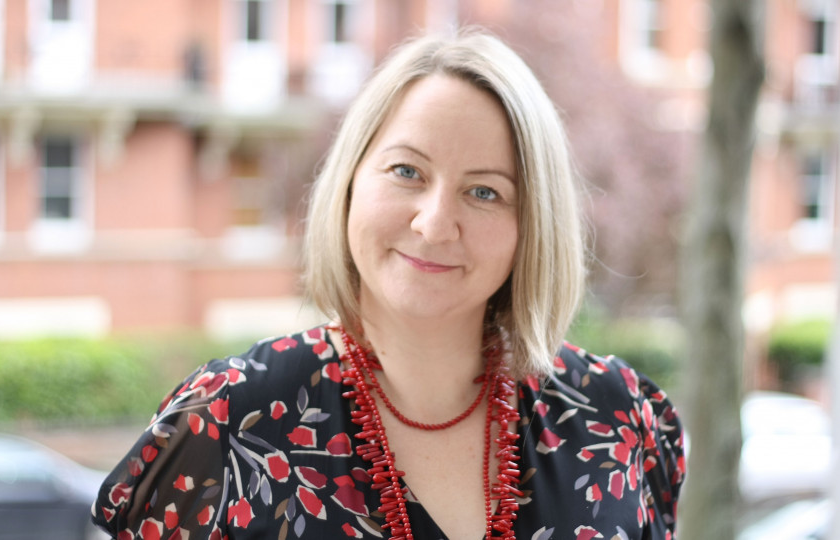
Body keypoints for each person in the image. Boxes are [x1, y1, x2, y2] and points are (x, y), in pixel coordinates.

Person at [92, 29, 685, 540]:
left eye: (485, 192)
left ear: (533, 225)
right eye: (407, 171)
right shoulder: (226, 419)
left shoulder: (620, 417)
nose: (434, 223)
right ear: (351, 181)